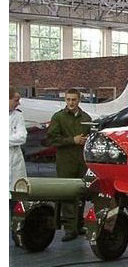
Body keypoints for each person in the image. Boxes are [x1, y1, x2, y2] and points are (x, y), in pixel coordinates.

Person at [46, 88, 92, 241]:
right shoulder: (58, 117)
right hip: (65, 161)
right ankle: (69, 228)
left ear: (79, 100)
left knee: (81, 193)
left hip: (81, 162)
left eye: (74, 100)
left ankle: (79, 225)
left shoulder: (86, 118)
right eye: (68, 99)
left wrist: (87, 141)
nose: (71, 103)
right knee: (67, 194)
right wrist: (72, 140)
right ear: (65, 100)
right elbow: (52, 139)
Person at [9, 87, 27, 216]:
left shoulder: (18, 116)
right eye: (16, 100)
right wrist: (11, 139)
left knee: (15, 201)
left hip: (14, 163)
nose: (18, 103)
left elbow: (22, 137)